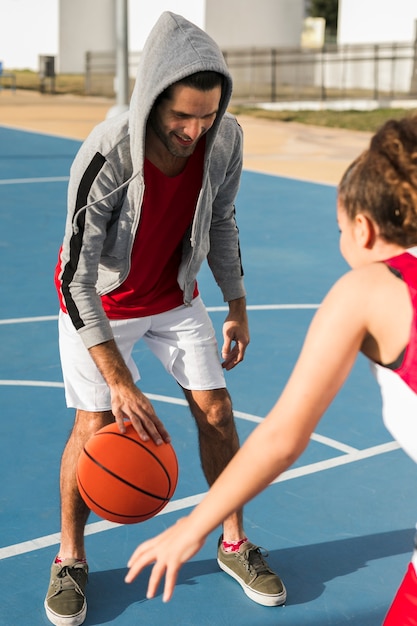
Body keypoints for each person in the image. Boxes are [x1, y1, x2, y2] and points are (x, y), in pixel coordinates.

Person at [125, 114, 417, 625]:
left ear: (364, 230)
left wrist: (195, 525)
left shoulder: (368, 291)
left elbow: (283, 437)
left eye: (339, 230)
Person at [44, 11, 285, 626]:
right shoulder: (110, 150)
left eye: (206, 114)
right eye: (182, 114)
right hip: (102, 301)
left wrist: (236, 303)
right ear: (153, 99)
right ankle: (70, 559)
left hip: (174, 296)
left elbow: (223, 221)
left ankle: (234, 543)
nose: (194, 128)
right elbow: (76, 278)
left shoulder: (223, 139)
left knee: (218, 412)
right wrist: (121, 380)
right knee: (93, 426)